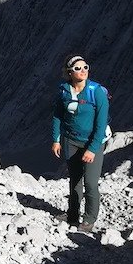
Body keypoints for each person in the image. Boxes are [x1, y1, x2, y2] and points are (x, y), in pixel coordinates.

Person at [51, 54, 110, 232]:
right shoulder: (63, 91)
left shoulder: (97, 91)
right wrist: (56, 139)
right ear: (69, 72)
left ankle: (89, 219)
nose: (83, 71)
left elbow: (101, 124)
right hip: (70, 140)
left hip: (92, 142)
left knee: (90, 182)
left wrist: (92, 149)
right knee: (75, 180)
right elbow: (57, 116)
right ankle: (72, 215)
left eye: (85, 67)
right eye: (78, 68)